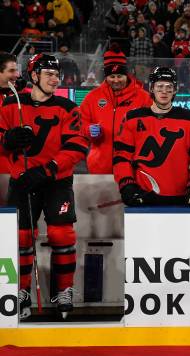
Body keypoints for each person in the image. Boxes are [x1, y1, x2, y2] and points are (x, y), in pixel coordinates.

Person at [0, 54, 88, 318]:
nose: (55, 78)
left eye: (56, 74)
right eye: (48, 73)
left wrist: (47, 169)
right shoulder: (11, 104)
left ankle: (64, 290)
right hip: (23, 181)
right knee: (21, 237)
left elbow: (77, 146)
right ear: (34, 75)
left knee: (62, 235)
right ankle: (20, 289)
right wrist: (7, 140)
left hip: (56, 181)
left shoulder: (68, 107)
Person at [113, 67, 190, 206]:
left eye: (169, 86)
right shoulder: (132, 118)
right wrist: (127, 185)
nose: (164, 91)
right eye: (159, 86)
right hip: (143, 196)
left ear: (175, 90)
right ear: (151, 89)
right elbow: (121, 157)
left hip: (181, 197)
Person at [80, 44, 152, 174]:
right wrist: (88, 130)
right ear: (106, 76)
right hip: (99, 167)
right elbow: (80, 123)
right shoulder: (92, 97)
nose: (116, 80)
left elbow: (153, 128)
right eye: (112, 76)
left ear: (126, 75)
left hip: (133, 167)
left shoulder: (144, 97)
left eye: (120, 76)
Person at [0, 52, 26, 174]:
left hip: (20, 164)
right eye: (11, 71)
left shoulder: (21, 95)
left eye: (16, 70)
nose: (17, 74)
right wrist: (6, 140)